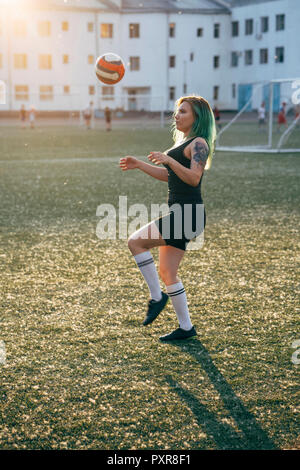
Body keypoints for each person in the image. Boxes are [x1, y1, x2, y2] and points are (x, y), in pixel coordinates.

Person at [119, 96, 216, 341]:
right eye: (177, 111)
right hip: (182, 214)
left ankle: (156, 297)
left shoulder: (199, 143)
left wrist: (170, 159)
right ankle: (186, 328)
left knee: (135, 242)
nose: (177, 115)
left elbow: (194, 178)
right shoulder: (185, 142)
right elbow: (170, 176)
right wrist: (140, 164)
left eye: (183, 112)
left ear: (197, 117)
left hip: (188, 215)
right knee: (167, 272)